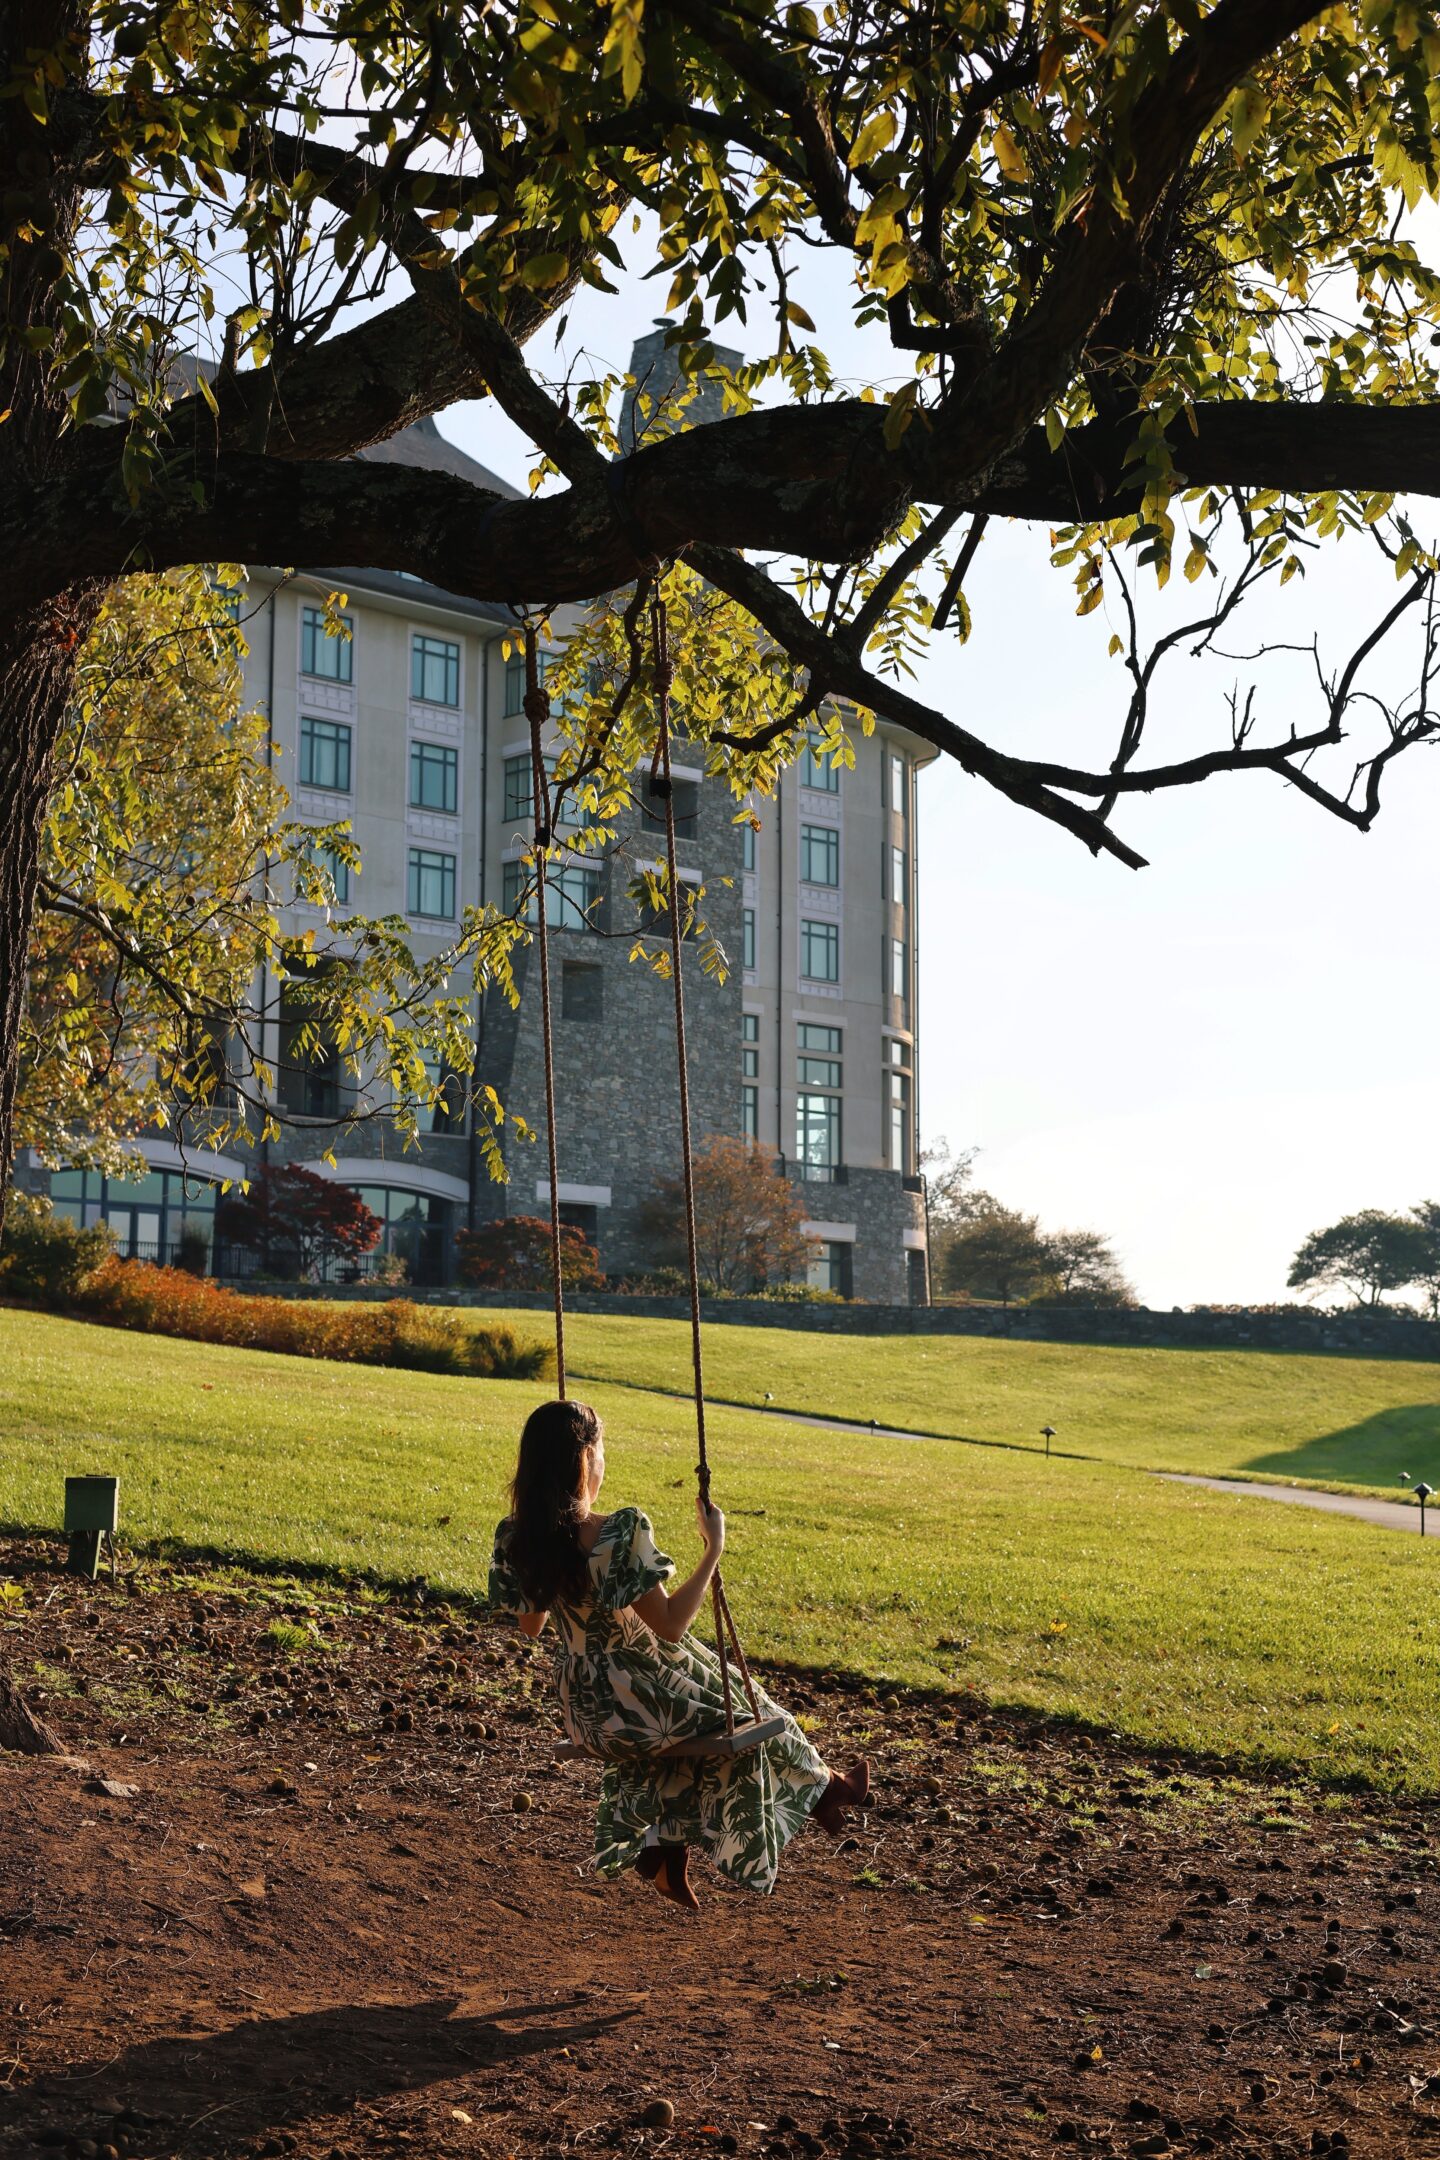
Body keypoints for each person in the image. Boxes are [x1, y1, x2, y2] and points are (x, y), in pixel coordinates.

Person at [487, 1398, 870, 1910]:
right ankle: (825, 1789)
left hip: (583, 1709)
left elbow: (532, 1626)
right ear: (584, 1459)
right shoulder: (617, 1532)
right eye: (600, 1450)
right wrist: (712, 1550)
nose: (603, 1461)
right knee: (747, 1703)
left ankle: (668, 1851)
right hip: (637, 1696)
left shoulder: (517, 1537)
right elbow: (668, 1627)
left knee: (707, 1699)